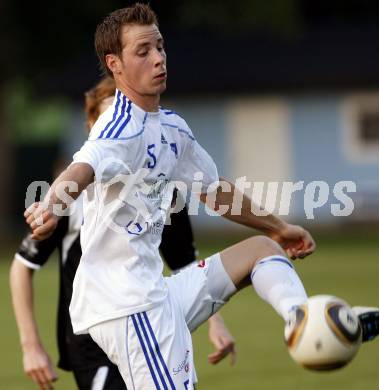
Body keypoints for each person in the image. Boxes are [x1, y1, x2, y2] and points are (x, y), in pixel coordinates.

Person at [24, 4, 379, 389]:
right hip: (128, 307)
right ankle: (311, 326)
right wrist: (51, 207)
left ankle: (302, 319)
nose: (158, 58)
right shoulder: (119, 127)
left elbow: (215, 191)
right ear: (115, 64)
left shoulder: (170, 127)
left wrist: (279, 228)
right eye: (142, 51)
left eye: (159, 46)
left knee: (261, 251)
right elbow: (82, 168)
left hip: (155, 291)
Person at [11, 77, 235, 390]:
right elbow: (22, 266)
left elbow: (185, 263)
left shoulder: (162, 190)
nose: (124, 134)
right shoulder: (70, 198)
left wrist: (215, 323)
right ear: (94, 128)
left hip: (147, 322)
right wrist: (30, 346)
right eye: (111, 120)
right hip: (90, 342)